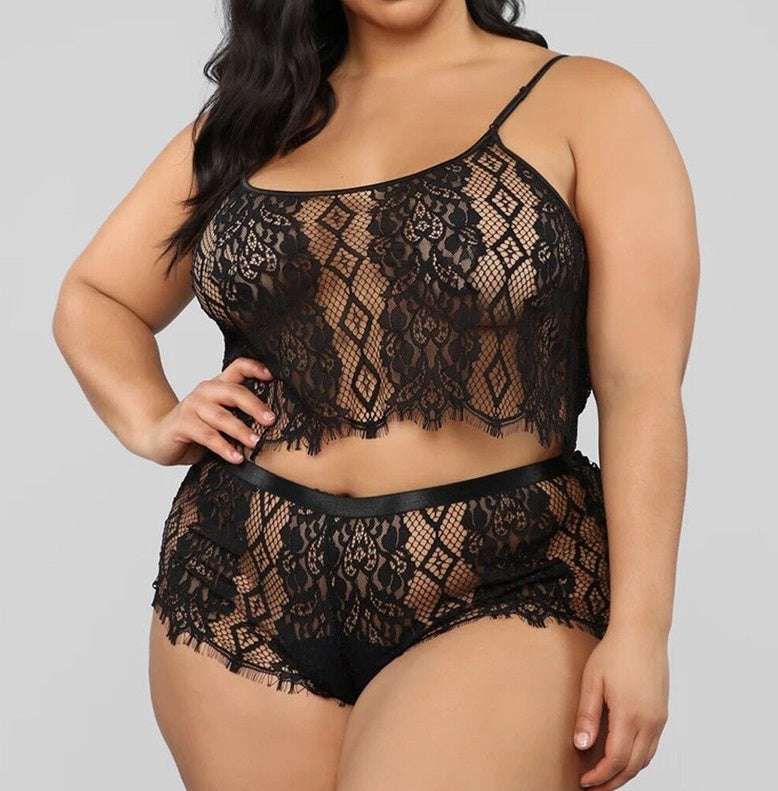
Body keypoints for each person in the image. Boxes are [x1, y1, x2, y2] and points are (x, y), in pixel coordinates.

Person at [52, 1, 699, 789]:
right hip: (241, 579)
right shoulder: (254, 121)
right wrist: (153, 417)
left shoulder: (590, 103)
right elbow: (96, 297)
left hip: (505, 576)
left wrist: (642, 631)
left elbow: (641, 393)